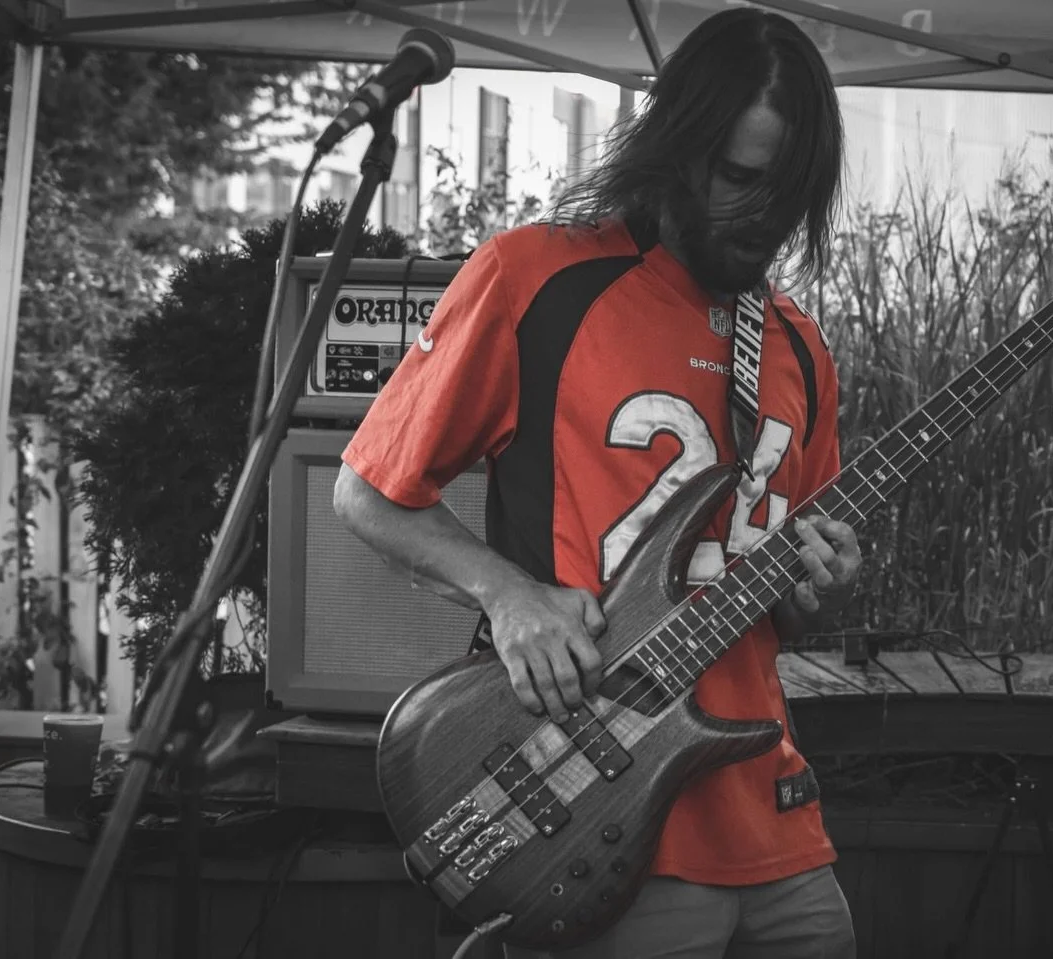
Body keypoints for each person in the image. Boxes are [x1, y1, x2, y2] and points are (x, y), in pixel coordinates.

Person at [334, 8, 862, 957]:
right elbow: (367, 491)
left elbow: (786, 611)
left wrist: (819, 584)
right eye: (740, 179)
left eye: (785, 193)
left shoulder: (801, 349)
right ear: (677, 147)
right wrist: (508, 593)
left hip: (776, 822)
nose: (761, 218)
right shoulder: (537, 279)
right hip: (600, 819)